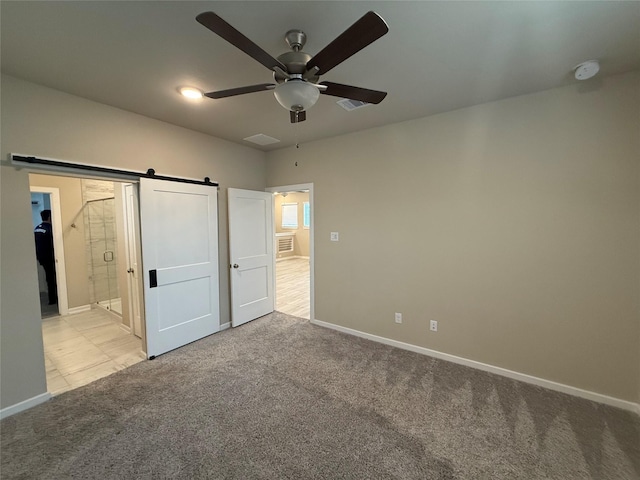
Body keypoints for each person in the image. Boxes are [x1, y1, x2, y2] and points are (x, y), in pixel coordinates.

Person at [34, 209, 57, 305]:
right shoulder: (50, 229)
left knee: (49, 278)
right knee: (53, 279)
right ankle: (54, 299)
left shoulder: (37, 228)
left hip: (41, 258)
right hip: (50, 258)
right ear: (49, 217)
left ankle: (52, 299)